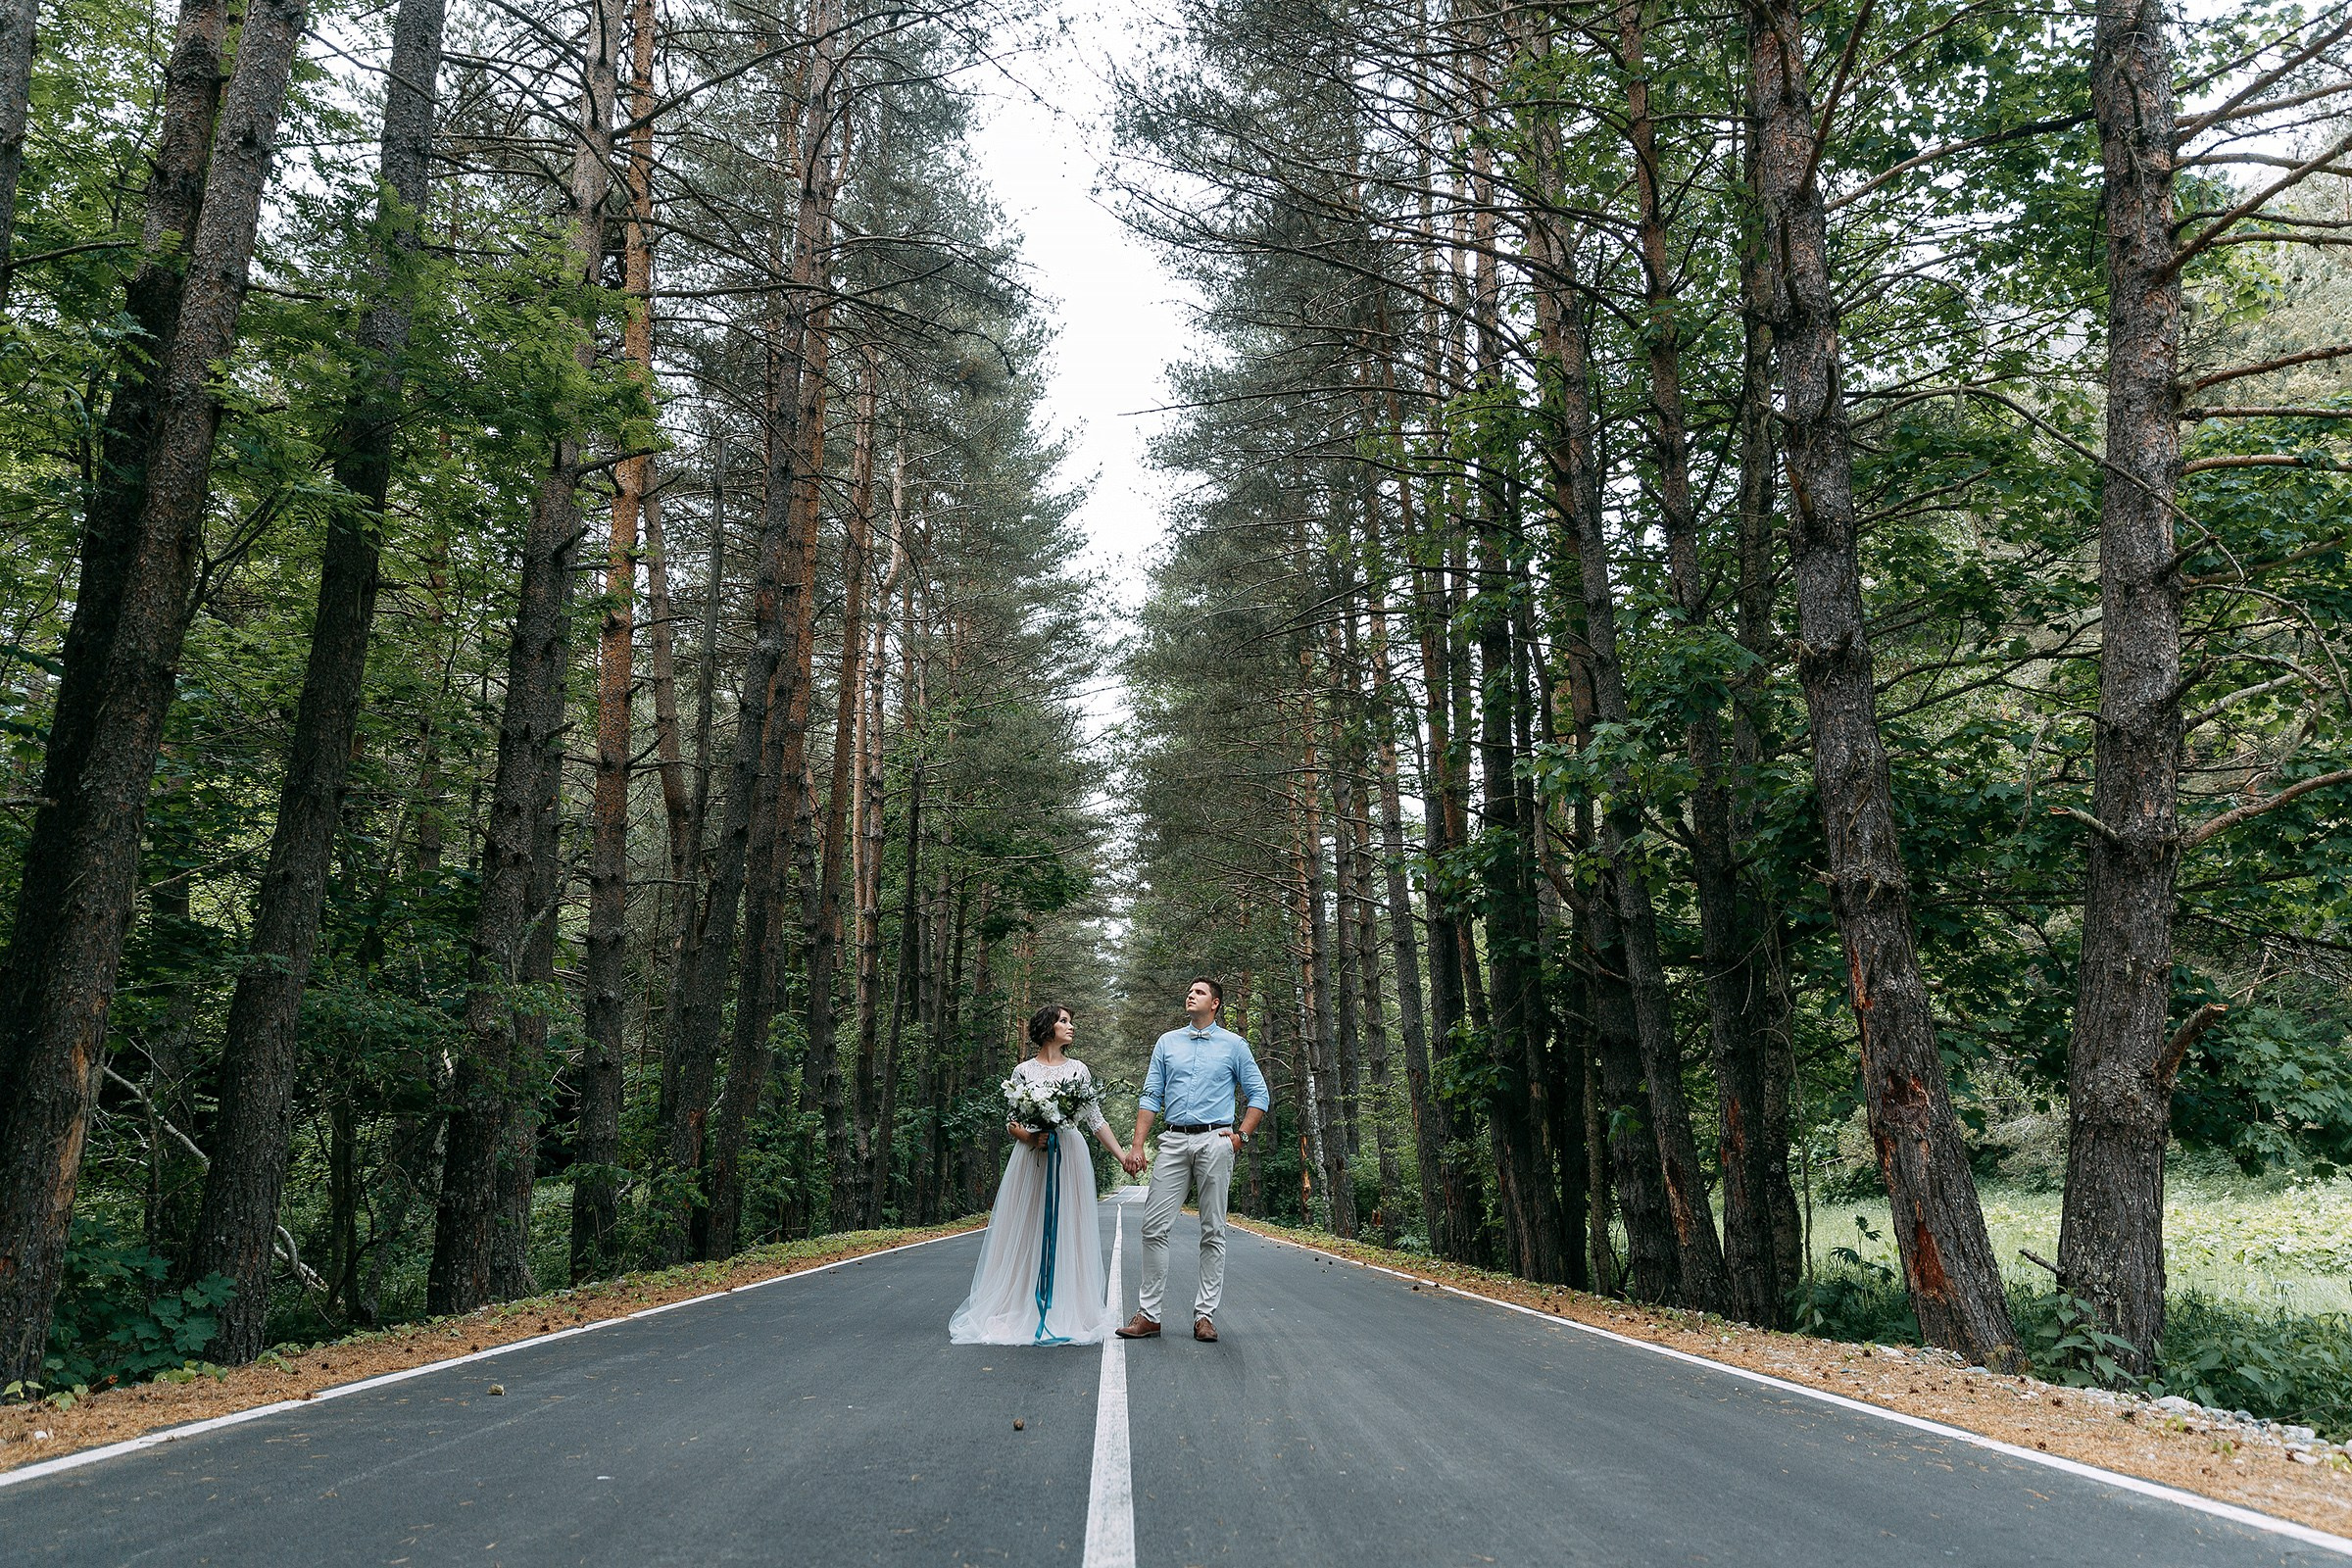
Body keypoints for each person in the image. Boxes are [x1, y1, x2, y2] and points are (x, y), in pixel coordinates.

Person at [949, 1004, 1133, 1346]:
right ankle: (1021, 1302)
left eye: (1071, 1021)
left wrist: (1122, 1155)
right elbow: (1012, 1122)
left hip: (1069, 1155)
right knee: (1028, 1226)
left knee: (1068, 1227)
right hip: (1032, 1157)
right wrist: (1031, 1138)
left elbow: (1095, 1120)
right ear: (1049, 1027)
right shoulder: (1023, 1072)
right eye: (1064, 1021)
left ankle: (1067, 1305)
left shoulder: (1079, 1070)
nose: (1071, 1026)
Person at [1116, 976, 1269, 1344]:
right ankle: (1149, 1315)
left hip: (1216, 1139)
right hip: (1172, 1140)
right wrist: (1137, 1146)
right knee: (1153, 1226)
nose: (1191, 994)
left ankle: (1204, 1315)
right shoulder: (1167, 1043)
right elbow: (1151, 1095)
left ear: (1215, 1003)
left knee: (1213, 1229)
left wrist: (1239, 1137)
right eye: (1189, 990)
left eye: (1199, 992)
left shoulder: (1235, 1045)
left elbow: (1258, 1094)